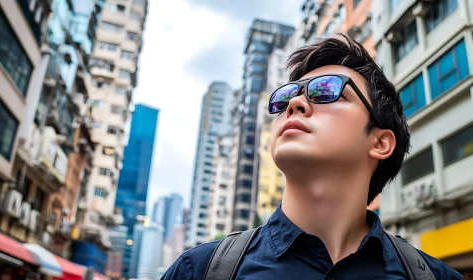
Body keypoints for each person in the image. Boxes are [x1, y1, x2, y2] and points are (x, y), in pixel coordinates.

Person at [162, 35, 463, 279]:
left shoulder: (434, 276)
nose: (294, 103)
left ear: (380, 142)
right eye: (285, 98)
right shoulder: (199, 270)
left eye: (327, 91)